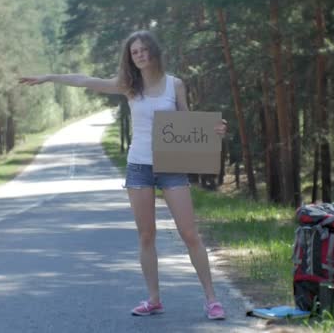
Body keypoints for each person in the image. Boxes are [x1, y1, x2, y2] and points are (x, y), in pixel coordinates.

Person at [19, 30, 227, 320]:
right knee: (146, 236)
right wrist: (49, 77)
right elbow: (85, 80)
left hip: (171, 167)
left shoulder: (174, 85)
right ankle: (154, 300)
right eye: (134, 52)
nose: (139, 55)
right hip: (139, 166)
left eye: (143, 50)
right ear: (131, 58)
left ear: (153, 51)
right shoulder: (130, 86)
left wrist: (213, 130)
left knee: (190, 234)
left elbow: (186, 122)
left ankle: (212, 300)